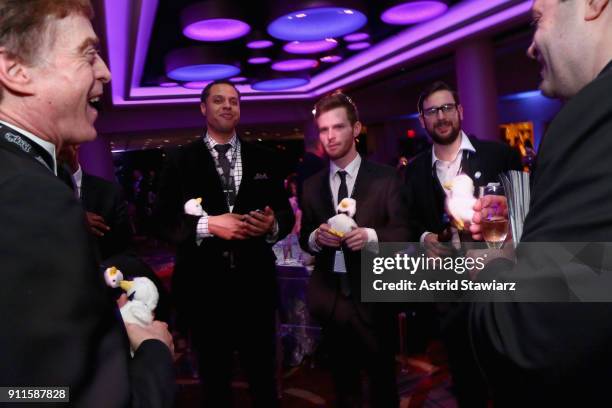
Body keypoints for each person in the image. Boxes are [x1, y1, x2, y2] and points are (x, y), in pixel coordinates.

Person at [0, 1, 175, 407]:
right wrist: (153, 350)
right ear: (16, 71)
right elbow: (53, 398)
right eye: (89, 53)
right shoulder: (29, 194)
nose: (106, 73)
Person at [466, 0, 612, 406]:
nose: (530, 46)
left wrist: (494, 258)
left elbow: (523, 337)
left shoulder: (592, 117)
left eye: (537, 19)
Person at [154, 79, 294, 407]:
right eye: (219, 100)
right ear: (203, 108)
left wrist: (273, 224)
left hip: (255, 288)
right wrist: (207, 224)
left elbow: (285, 213)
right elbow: (162, 222)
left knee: (263, 380)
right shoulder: (180, 160)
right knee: (214, 383)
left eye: (234, 100)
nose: (228, 106)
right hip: (204, 291)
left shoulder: (265, 157)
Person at [403, 81, 522, 407]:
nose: (440, 116)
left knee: (510, 378)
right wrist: (423, 238)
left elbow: (529, 214)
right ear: (423, 120)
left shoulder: (501, 154)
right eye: (431, 111)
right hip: (449, 297)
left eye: (446, 108)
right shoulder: (413, 173)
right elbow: (407, 224)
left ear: (460, 112)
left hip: (501, 289)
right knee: (466, 380)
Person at [299, 92, 410, 407]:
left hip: (375, 301)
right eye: (323, 130)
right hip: (331, 303)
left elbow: (404, 231)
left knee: (383, 387)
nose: (330, 136)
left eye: (338, 127)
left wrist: (371, 237)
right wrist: (316, 238)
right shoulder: (311, 186)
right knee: (343, 388)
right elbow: (306, 232)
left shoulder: (387, 179)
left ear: (357, 129)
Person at [58, 143, 132, 260]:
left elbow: (125, 249)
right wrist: (73, 220)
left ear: (76, 144)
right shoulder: (38, 193)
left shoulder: (110, 192)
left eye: (59, 142)